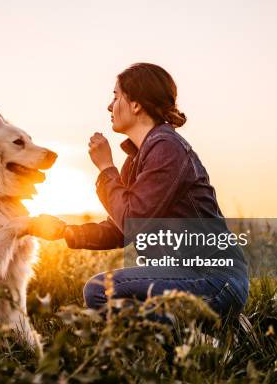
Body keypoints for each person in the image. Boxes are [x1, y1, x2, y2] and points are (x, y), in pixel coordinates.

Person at [29, 63, 249, 320]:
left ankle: (201, 333)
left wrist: (105, 168)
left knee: (99, 291)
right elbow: (120, 229)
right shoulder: (137, 159)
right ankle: (202, 332)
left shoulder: (167, 147)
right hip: (185, 274)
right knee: (104, 294)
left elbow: (133, 221)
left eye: (115, 96)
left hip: (212, 278)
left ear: (135, 105)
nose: (110, 106)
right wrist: (67, 231)